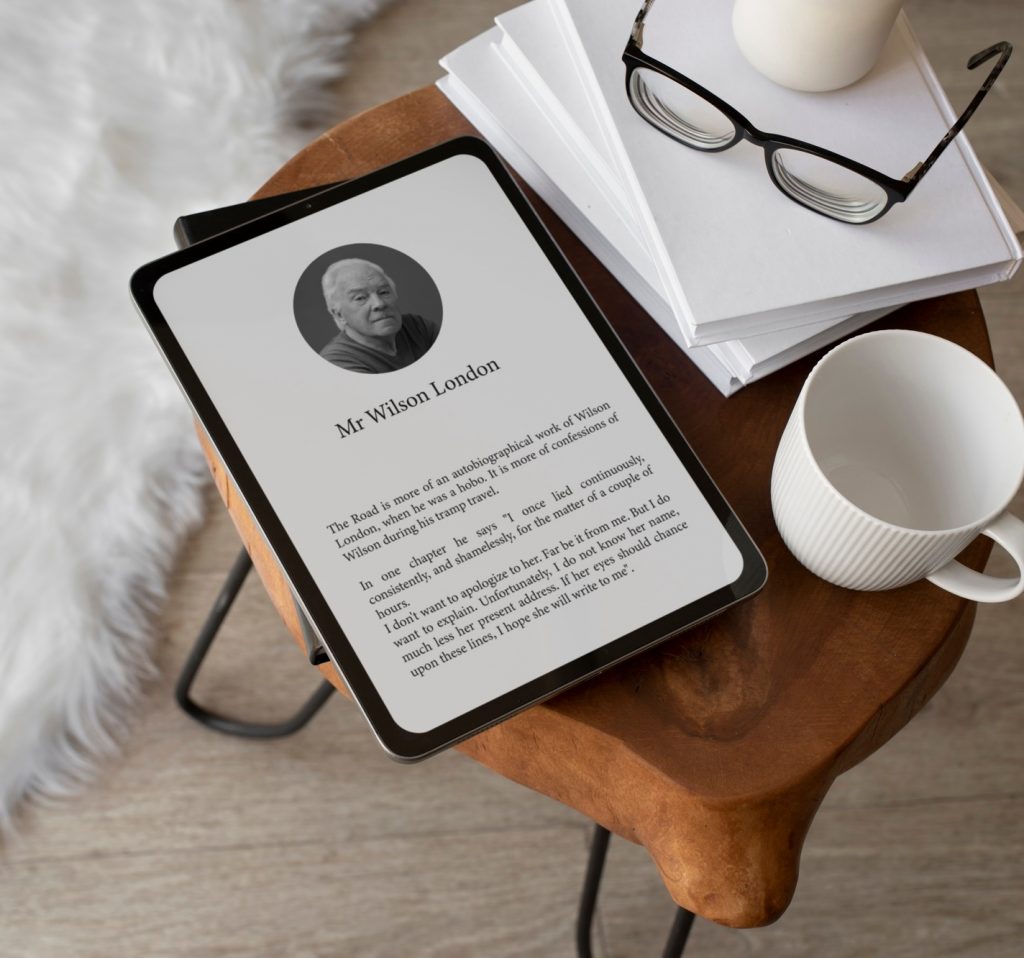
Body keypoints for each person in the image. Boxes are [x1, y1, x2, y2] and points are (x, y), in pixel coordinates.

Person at [319, 258, 438, 373]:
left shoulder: (417, 327)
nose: (379, 304)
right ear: (339, 315)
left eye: (384, 292)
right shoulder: (336, 362)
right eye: (360, 298)